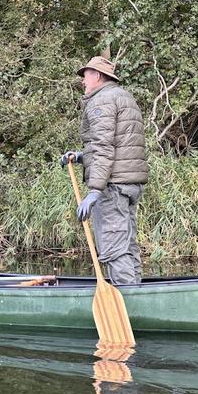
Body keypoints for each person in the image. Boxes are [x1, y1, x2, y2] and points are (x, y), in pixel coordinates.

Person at [60, 56, 148, 285]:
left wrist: (95, 190)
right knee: (126, 243)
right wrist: (81, 157)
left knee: (113, 246)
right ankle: (136, 292)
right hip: (130, 183)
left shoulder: (102, 101)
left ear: (97, 76)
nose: (82, 81)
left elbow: (103, 146)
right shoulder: (124, 96)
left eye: (85, 75)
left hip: (112, 186)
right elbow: (119, 144)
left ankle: (127, 301)